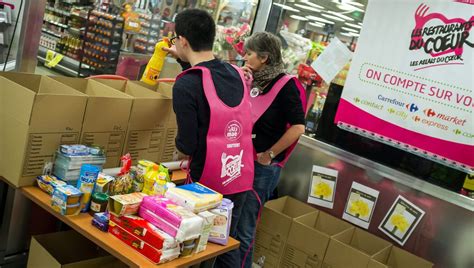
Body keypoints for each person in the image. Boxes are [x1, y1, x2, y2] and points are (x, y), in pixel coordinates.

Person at [163, 9, 255, 267]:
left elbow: (187, 145)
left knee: (196, 253)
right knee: (225, 246)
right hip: (239, 178)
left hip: (206, 187)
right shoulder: (236, 74)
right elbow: (209, 79)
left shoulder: (185, 85)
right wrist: (184, 61)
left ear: (182, 41)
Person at [237, 32, 306, 268]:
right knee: (232, 223)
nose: (244, 56)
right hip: (240, 160)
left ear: (264, 57)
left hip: (261, 167)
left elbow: (298, 127)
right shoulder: (254, 79)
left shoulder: (285, 85)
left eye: (249, 53)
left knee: (244, 227)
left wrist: (269, 154)